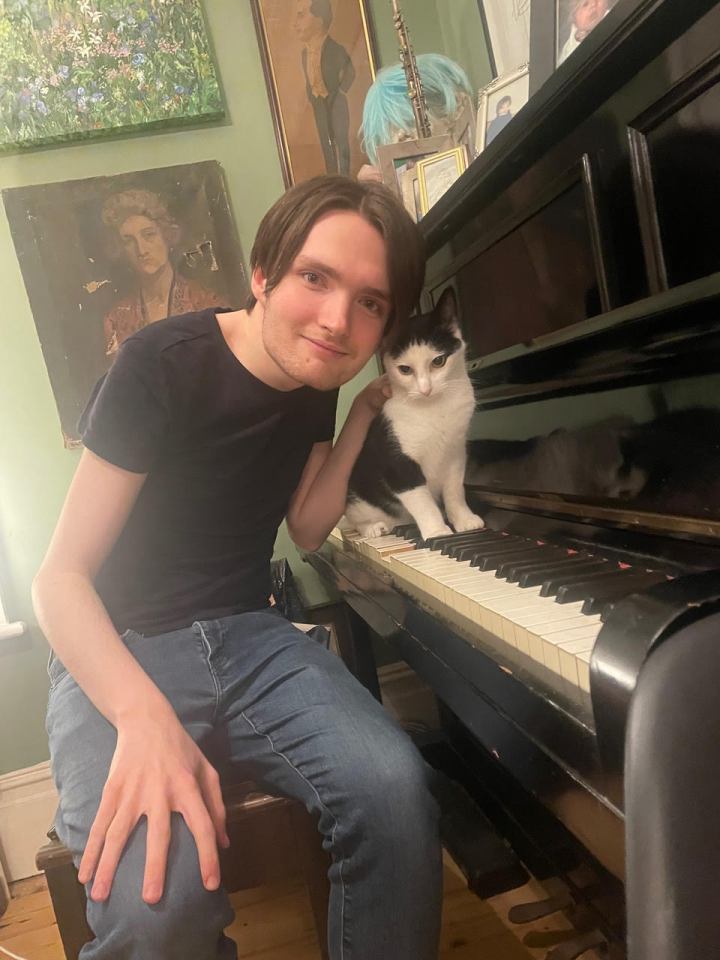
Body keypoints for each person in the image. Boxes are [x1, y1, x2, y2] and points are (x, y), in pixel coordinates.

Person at [33, 175, 441, 960]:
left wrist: (359, 413)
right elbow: (59, 579)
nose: (336, 320)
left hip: (251, 635)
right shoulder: (161, 362)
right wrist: (142, 717)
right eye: (316, 279)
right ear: (263, 272)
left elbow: (308, 525)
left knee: (395, 793)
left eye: (370, 302)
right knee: (158, 909)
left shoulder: (317, 383)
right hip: (122, 645)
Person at [101, 189, 227, 356]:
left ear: (166, 235)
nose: (141, 249)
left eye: (149, 235)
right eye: (129, 241)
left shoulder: (204, 302)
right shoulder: (116, 319)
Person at [295, 0, 355, 176]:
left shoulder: (335, 49)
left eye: (301, 15)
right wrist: (313, 96)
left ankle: (345, 176)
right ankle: (333, 178)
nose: (295, 23)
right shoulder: (304, 54)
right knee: (325, 141)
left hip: (336, 102)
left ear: (319, 20)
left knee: (341, 141)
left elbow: (351, 72)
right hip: (319, 103)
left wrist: (340, 91)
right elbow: (309, 79)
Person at [558, 0, 614, 65]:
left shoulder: (614, 18)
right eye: (585, 4)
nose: (593, 4)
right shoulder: (569, 50)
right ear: (573, 18)